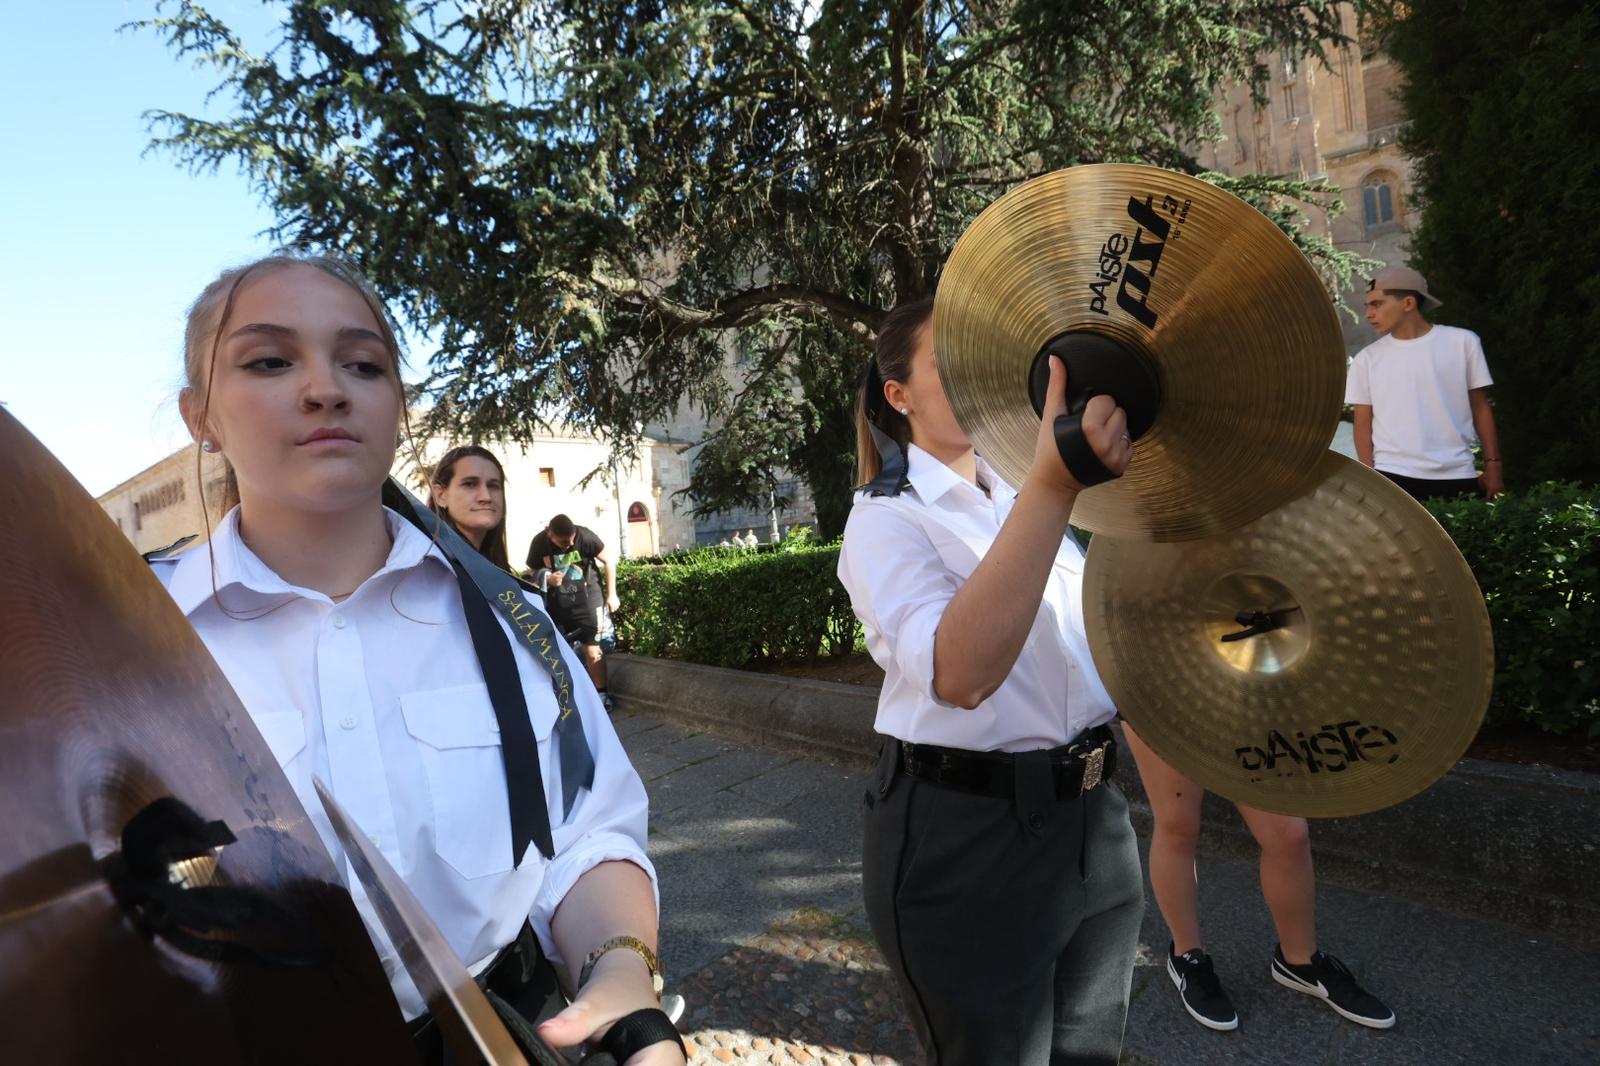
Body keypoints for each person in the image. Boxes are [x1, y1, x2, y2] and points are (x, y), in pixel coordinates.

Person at [151, 252, 683, 1065]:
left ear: (397, 405)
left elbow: (585, 835)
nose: (326, 388)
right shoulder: (138, 652)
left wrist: (624, 981)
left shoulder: (512, 626)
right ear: (201, 418)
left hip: (499, 1035)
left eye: (363, 364)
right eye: (269, 360)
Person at [837, 297, 1143, 1065]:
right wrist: (1054, 485)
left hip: (1094, 815)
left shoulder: (1018, 492)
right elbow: (962, 674)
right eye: (951, 365)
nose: (977, 381)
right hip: (968, 832)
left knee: (1090, 1053)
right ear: (897, 394)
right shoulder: (885, 519)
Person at [1121, 728, 1395, 1032]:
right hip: (1158, 695)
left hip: (1240, 697)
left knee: (1288, 835)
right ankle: (1188, 956)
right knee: (1178, 825)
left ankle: (1300, 961)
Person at [1347, 265, 1503, 502]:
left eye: (1377, 304)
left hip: (1457, 473)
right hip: (1393, 476)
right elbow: (1362, 425)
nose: (1369, 314)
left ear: (1408, 303)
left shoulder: (1462, 343)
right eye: (1367, 306)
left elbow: (1480, 407)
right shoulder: (1366, 360)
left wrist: (1494, 466)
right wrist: (1372, 483)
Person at [527, 515, 621, 712]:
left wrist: (612, 594)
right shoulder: (539, 542)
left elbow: (609, 560)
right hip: (557, 603)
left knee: (592, 647)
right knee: (558, 648)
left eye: (571, 540)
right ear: (549, 533)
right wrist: (547, 577)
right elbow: (532, 572)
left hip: (587, 598)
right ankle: (566, 696)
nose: (569, 545)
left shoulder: (585, 536)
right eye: (563, 543)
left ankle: (602, 694)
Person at [428, 444, 512, 570]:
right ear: (440, 495)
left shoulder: (494, 569)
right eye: (470, 484)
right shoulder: (424, 564)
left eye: (493, 486)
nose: (486, 497)